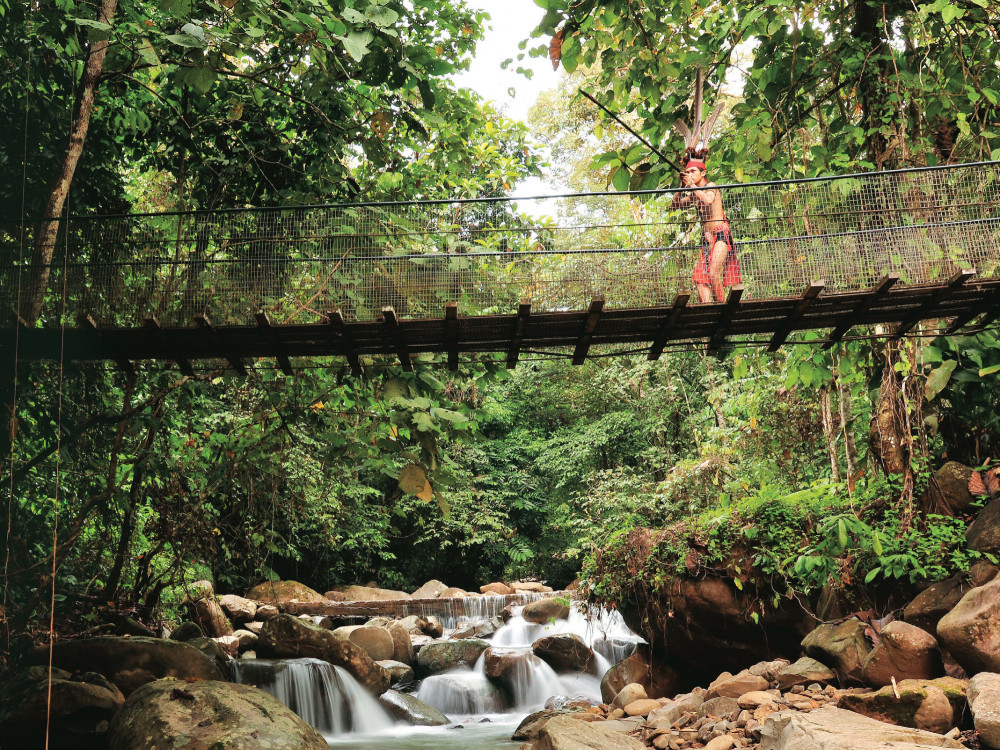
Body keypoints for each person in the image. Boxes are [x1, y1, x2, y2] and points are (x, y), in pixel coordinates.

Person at [671, 158, 741, 303]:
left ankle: (721, 306)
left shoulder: (711, 186)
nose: (690, 174)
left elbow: (708, 200)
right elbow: (674, 205)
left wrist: (691, 186)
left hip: (721, 234)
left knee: (713, 271)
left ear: (703, 173)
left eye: (693, 171)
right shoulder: (693, 193)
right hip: (708, 239)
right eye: (688, 172)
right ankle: (708, 307)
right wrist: (682, 186)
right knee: (700, 276)